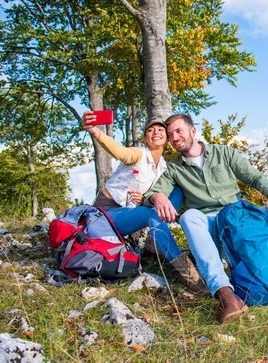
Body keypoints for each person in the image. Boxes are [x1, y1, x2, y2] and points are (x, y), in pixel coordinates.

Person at [144, 113, 268, 324]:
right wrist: (157, 196)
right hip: (209, 225)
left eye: (178, 131)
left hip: (238, 219)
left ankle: (252, 260)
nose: (174, 137)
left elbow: (252, 175)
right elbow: (151, 194)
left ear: (193, 131)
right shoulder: (174, 168)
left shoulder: (223, 152)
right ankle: (225, 293)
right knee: (189, 217)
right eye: (170, 135)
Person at [80, 111, 207, 294]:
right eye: (151, 130)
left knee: (177, 189)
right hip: (105, 217)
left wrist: (146, 198)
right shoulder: (138, 155)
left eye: (160, 129)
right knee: (151, 214)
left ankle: (173, 233)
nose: (156, 132)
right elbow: (121, 152)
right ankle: (188, 275)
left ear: (167, 138)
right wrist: (96, 132)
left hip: (130, 217)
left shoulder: (164, 167)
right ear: (146, 137)